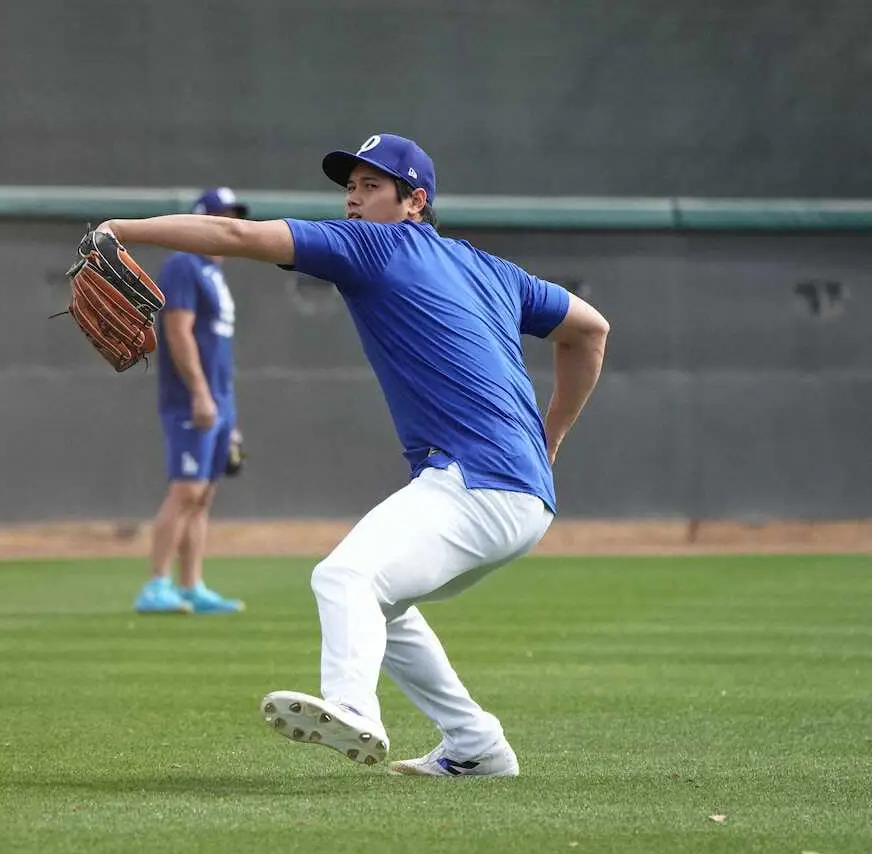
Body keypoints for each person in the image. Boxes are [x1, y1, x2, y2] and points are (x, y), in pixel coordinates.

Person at [95, 134, 610, 776]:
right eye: (350, 187)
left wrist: (121, 228)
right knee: (382, 606)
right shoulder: (491, 270)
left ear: (415, 201)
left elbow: (236, 236)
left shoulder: (372, 246)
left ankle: (353, 707)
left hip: (475, 481)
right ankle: (476, 745)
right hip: (521, 494)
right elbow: (590, 330)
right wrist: (549, 440)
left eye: (372, 186)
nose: (354, 199)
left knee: (344, 578)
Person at [133, 187, 249, 616]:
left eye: (233, 217)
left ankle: (191, 584)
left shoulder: (212, 272)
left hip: (219, 399)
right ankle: (156, 584)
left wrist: (227, 409)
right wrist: (200, 392)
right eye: (221, 217)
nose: (229, 224)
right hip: (190, 399)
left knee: (204, 494)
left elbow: (218, 348)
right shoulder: (184, 264)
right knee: (187, 490)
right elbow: (177, 332)